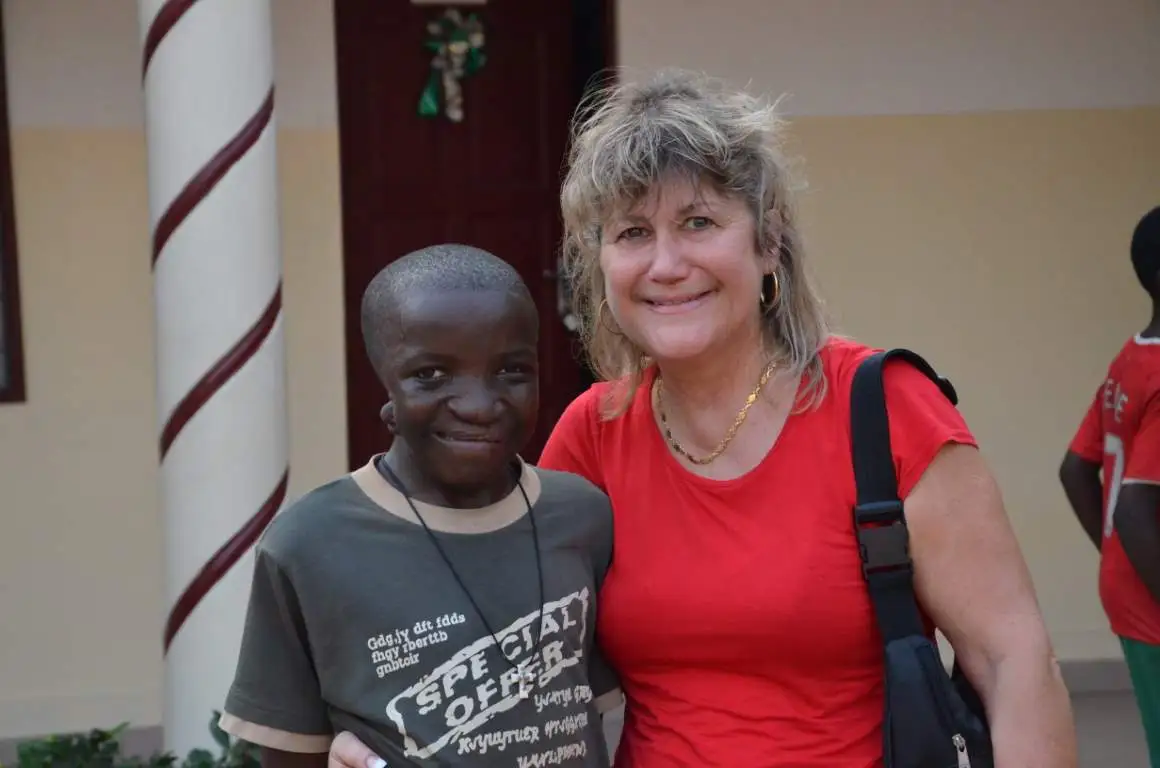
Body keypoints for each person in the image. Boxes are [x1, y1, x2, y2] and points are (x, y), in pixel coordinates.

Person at [329, 70, 1077, 767]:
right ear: (601, 265)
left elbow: (1012, 662)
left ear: (768, 242)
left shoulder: (884, 408)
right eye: (632, 233)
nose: (666, 264)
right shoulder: (593, 432)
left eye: (698, 222)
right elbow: (501, 651)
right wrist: (374, 740)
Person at [218, 244, 623, 767]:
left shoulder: (583, 516)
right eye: (431, 375)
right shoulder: (309, 544)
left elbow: (612, 714)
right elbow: (290, 753)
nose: (479, 406)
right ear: (385, 382)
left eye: (511, 370)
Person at [1059, 206, 1160, 767]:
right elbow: (1135, 508)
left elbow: (1075, 469)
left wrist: (1116, 557)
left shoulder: (1132, 356)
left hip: (1131, 579)